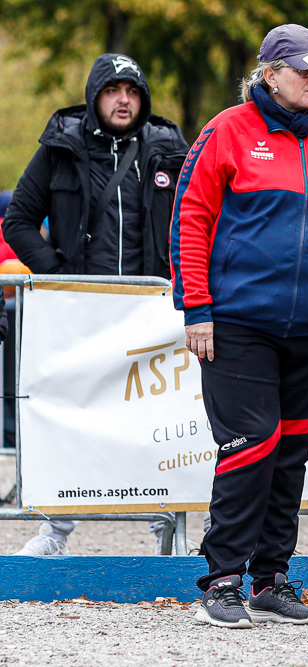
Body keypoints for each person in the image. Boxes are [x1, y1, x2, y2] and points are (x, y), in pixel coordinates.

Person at [171, 24, 308, 628]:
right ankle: (221, 581)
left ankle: (271, 578)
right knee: (251, 444)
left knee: (291, 451)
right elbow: (190, 218)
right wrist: (196, 307)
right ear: (270, 74)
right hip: (239, 323)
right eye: (303, 68)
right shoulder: (227, 129)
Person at [4, 53, 189, 556]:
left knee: (157, 421)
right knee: (75, 418)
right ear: (94, 98)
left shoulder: (169, 148)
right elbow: (18, 220)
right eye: (112, 90)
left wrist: (181, 281)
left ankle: (165, 532)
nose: (123, 99)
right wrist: (62, 279)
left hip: (154, 313)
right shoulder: (60, 148)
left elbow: (198, 221)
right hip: (80, 314)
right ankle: (55, 532)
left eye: (132, 90)